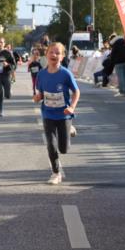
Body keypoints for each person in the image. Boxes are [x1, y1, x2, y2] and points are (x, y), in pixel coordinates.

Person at [33, 42, 80, 184]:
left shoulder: (65, 74)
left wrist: (72, 107)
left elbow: (76, 91)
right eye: (51, 52)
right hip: (48, 114)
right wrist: (37, 97)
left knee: (63, 149)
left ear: (63, 56)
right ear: (46, 55)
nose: (54, 55)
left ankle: (69, 128)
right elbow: (40, 93)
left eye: (57, 53)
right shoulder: (41, 74)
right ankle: (55, 173)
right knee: (51, 145)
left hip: (64, 114)